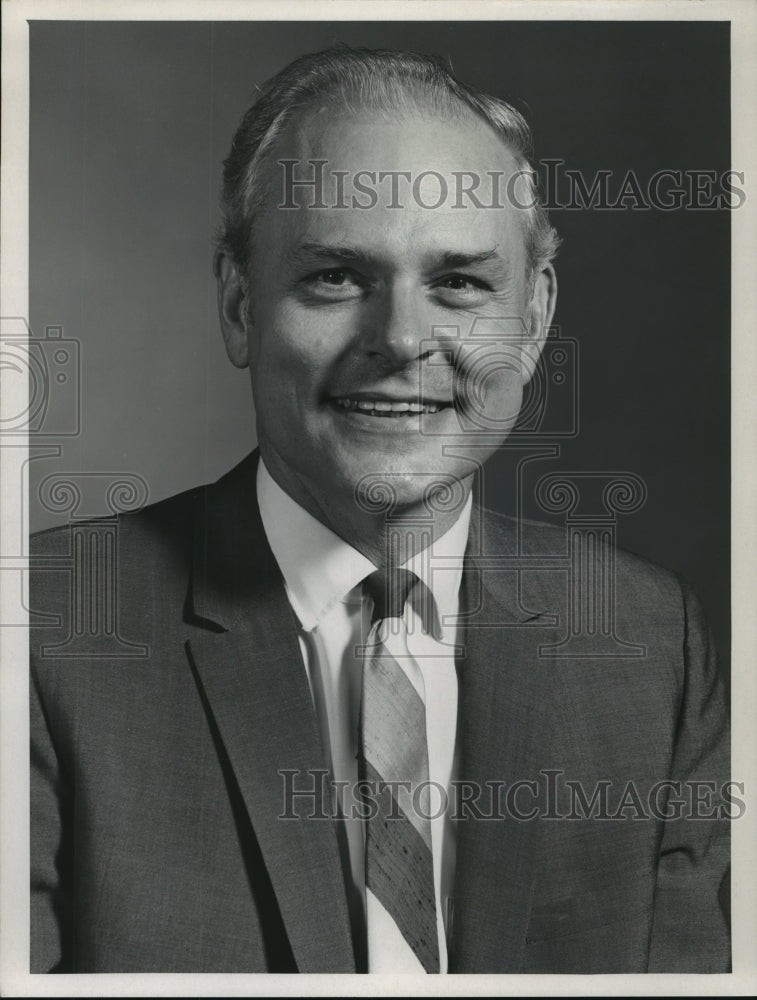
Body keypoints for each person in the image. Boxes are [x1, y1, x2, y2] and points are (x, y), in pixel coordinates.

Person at [29, 46, 730, 974]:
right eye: (334, 277)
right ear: (240, 306)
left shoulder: (651, 646)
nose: (401, 338)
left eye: (460, 284)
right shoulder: (43, 635)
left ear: (534, 315)